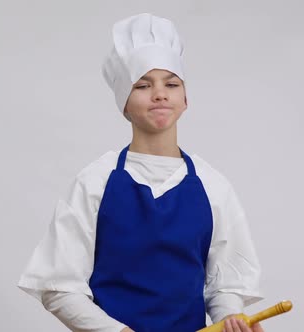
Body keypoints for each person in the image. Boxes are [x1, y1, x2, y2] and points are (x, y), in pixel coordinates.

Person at [18, 13, 264, 332]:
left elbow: (225, 285)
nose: (160, 93)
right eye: (143, 85)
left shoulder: (214, 186)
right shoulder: (95, 182)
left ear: (185, 99)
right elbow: (59, 288)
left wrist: (231, 320)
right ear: (125, 103)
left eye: (171, 84)